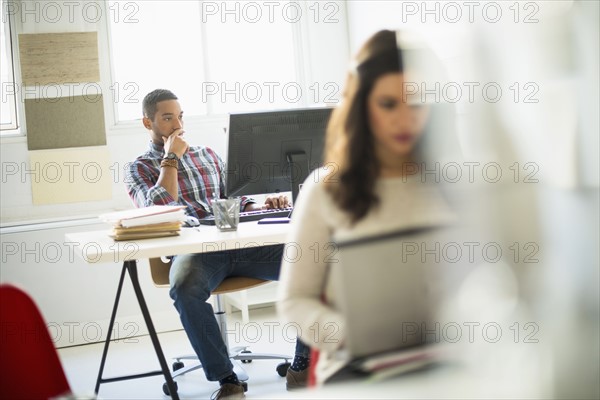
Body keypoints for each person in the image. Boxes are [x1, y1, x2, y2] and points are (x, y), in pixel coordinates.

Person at [277, 30, 457, 385]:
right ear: (362, 106)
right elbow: (295, 302)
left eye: (418, 102)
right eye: (388, 104)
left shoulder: (460, 183)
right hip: (360, 369)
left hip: (452, 360)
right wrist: (350, 335)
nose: (405, 120)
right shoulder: (325, 190)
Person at [126, 89, 310, 399]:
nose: (177, 124)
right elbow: (156, 209)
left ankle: (303, 365)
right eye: (167, 117)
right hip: (196, 254)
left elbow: (234, 199)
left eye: (180, 116)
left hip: (239, 245)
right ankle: (227, 379)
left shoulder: (208, 154)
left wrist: (261, 205)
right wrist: (171, 157)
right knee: (184, 287)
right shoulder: (140, 168)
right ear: (148, 123)